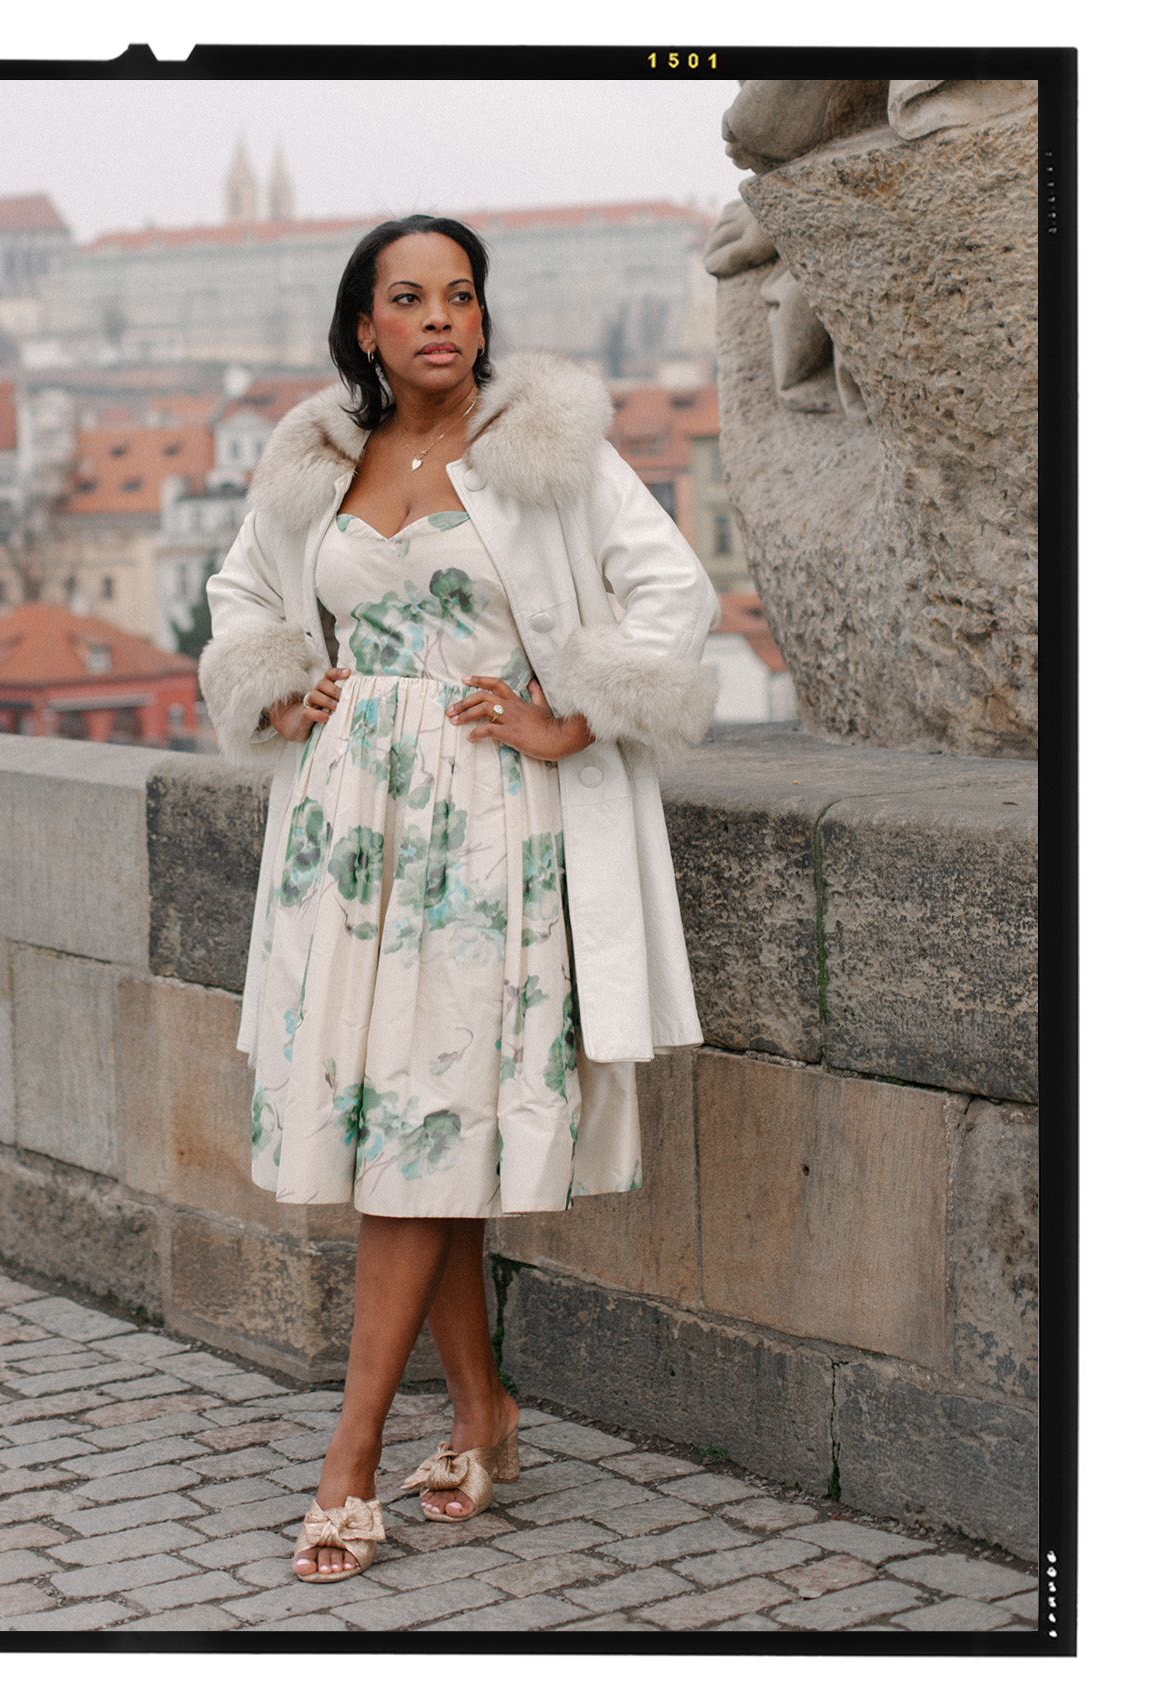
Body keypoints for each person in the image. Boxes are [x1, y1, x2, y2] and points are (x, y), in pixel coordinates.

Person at [198, 215, 718, 1582]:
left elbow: (674, 591)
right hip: (343, 824)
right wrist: (274, 681)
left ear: (485, 318)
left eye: (463, 296)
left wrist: (573, 718)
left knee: (420, 1131)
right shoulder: (316, 459)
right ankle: (483, 1414)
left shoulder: (545, 451)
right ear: (363, 326)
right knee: (411, 1130)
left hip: (488, 832)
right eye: (410, 298)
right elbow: (243, 592)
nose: (442, 318)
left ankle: (350, 1457)